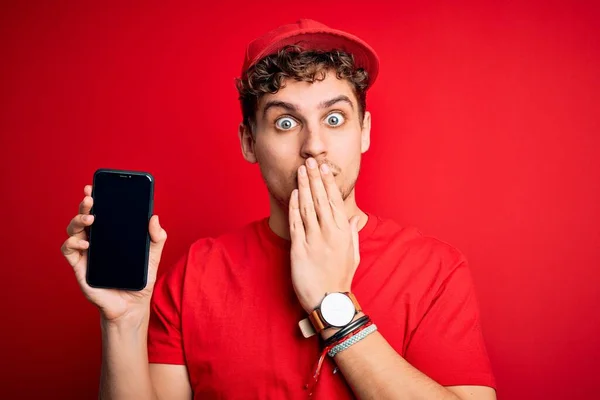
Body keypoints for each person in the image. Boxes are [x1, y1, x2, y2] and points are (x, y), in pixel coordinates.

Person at [61, 19, 497, 399]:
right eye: (285, 122)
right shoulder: (196, 274)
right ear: (249, 142)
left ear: (364, 132)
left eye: (335, 118)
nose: (313, 146)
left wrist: (331, 303)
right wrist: (123, 321)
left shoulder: (435, 270)